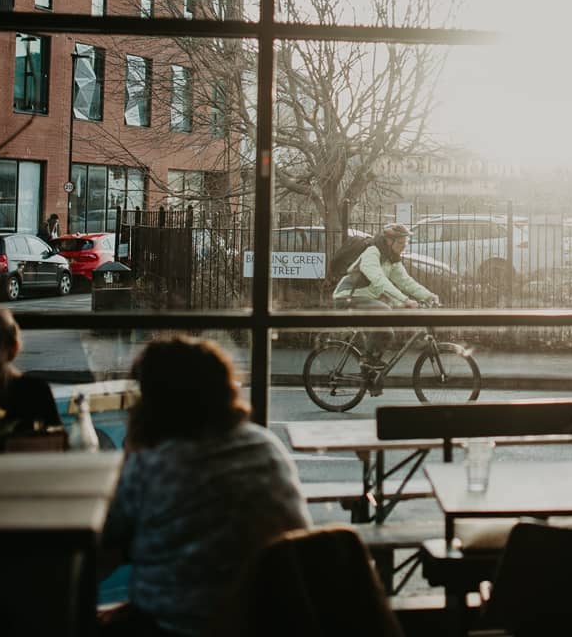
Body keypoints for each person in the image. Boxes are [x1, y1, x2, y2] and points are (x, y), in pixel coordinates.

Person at [99, 336, 311, 636]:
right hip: (275, 620)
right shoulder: (265, 446)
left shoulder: (155, 465)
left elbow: (101, 543)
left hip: (180, 626)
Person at [331, 223, 439, 363]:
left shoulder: (391, 259)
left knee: (387, 333)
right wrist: (405, 300)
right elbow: (380, 281)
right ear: (389, 241)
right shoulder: (372, 253)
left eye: (406, 242)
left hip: (365, 300)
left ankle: (370, 372)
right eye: (401, 242)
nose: (404, 246)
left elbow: (406, 282)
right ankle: (367, 362)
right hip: (346, 299)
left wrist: (429, 295)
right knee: (383, 310)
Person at [0, 303, 63, 434]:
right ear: (14, 349)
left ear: (11, 350)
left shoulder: (35, 392)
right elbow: (58, 444)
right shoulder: (36, 391)